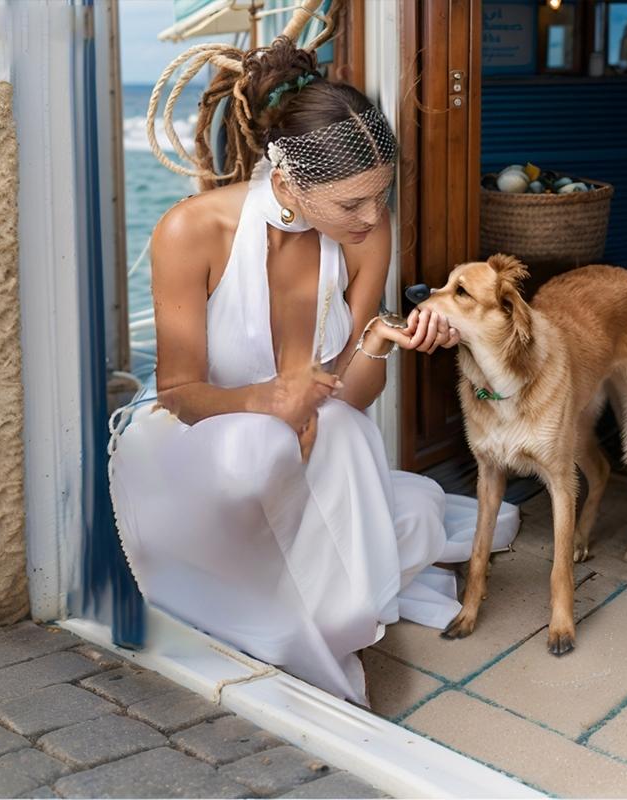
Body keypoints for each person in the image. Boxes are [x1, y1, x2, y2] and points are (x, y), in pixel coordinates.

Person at [109, 37, 518, 707]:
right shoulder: (191, 232)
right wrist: (271, 399)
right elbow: (179, 396)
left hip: (313, 442)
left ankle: (317, 597)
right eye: (352, 203)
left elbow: (353, 396)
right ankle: (243, 592)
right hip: (200, 448)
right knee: (267, 446)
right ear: (289, 180)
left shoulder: (368, 230)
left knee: (361, 452)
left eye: (379, 198)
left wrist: (381, 339)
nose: (369, 218)